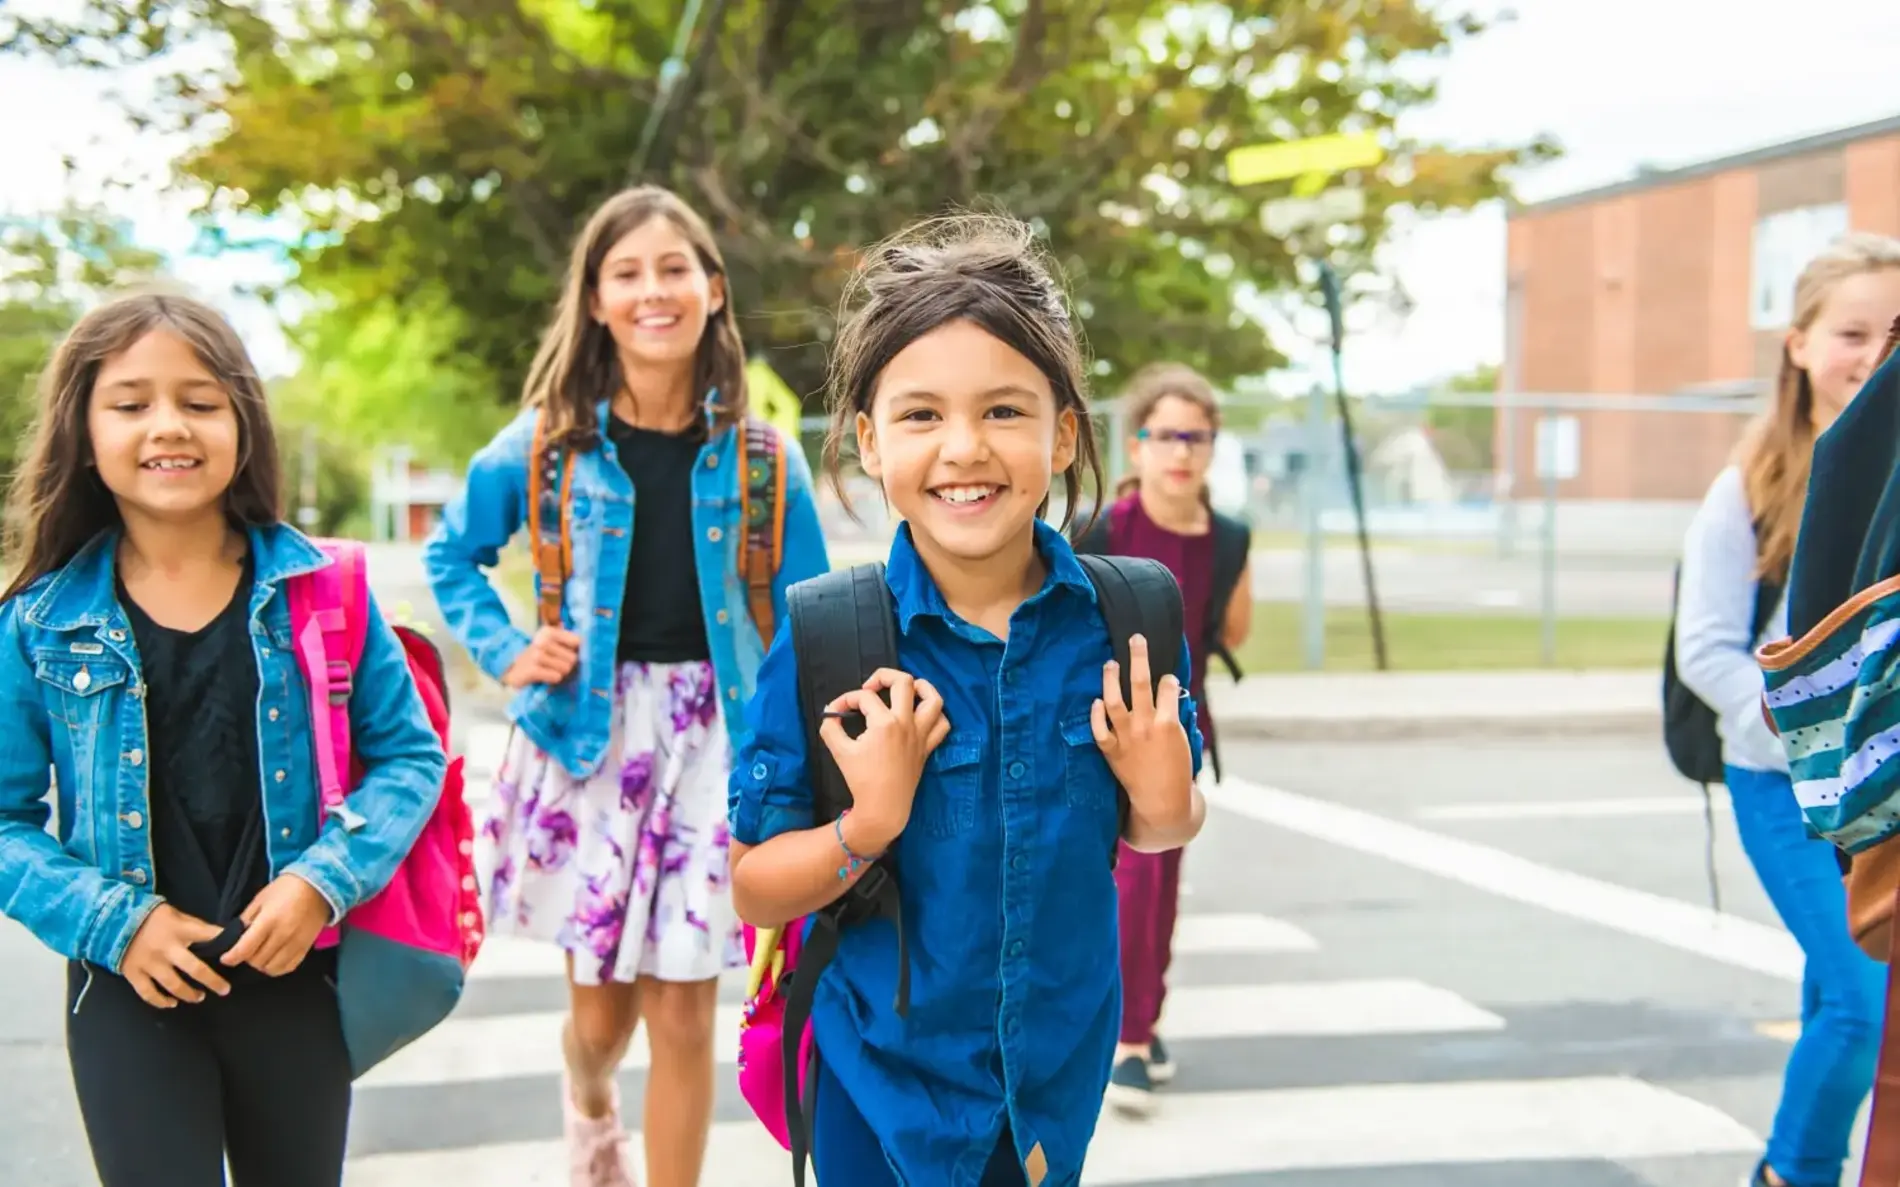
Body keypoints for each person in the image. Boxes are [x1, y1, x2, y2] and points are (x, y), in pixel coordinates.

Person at [727, 213, 1206, 1187]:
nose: (963, 448)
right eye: (919, 414)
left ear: (1063, 432)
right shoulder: (829, 634)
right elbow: (754, 880)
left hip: (1050, 1084)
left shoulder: (1128, 617)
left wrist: (1165, 791)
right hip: (877, 1083)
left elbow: (1158, 828)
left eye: (1002, 411)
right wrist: (870, 820)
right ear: (866, 440)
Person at [423, 184, 830, 1187]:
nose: (653, 290)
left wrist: (816, 758)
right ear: (597, 300)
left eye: (673, 268)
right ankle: (590, 1091)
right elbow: (450, 553)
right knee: (601, 1020)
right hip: (587, 738)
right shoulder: (546, 444)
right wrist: (511, 648)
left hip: (715, 741)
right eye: (628, 272)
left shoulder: (766, 460)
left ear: (714, 290)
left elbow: (815, 614)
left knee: (687, 1008)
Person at [0, 291, 446, 1186]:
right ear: (83, 429)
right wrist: (114, 922)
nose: (169, 425)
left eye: (201, 401)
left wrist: (323, 883)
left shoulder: (331, 591)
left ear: (243, 422)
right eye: (131, 403)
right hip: (128, 990)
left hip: (296, 986)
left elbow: (409, 758)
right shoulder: (37, 621)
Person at [1674, 231, 1900, 1187]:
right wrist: (1810, 735)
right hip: (1785, 787)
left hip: (1880, 796)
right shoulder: (1750, 486)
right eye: (1851, 330)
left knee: (1838, 1004)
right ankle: (1791, 1173)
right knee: (1865, 1000)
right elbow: (1707, 651)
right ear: (1798, 344)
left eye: (1890, 332)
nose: (1871, 353)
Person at [1071, 362, 1253, 1114]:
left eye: (1197, 437)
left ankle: (1139, 1026)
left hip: (1177, 728)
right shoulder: (1104, 527)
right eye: (1166, 434)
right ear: (1137, 444)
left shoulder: (1230, 538)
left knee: (1157, 880)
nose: (1182, 451)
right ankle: (1128, 1031)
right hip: (1099, 723)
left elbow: (1232, 630)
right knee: (1114, 880)